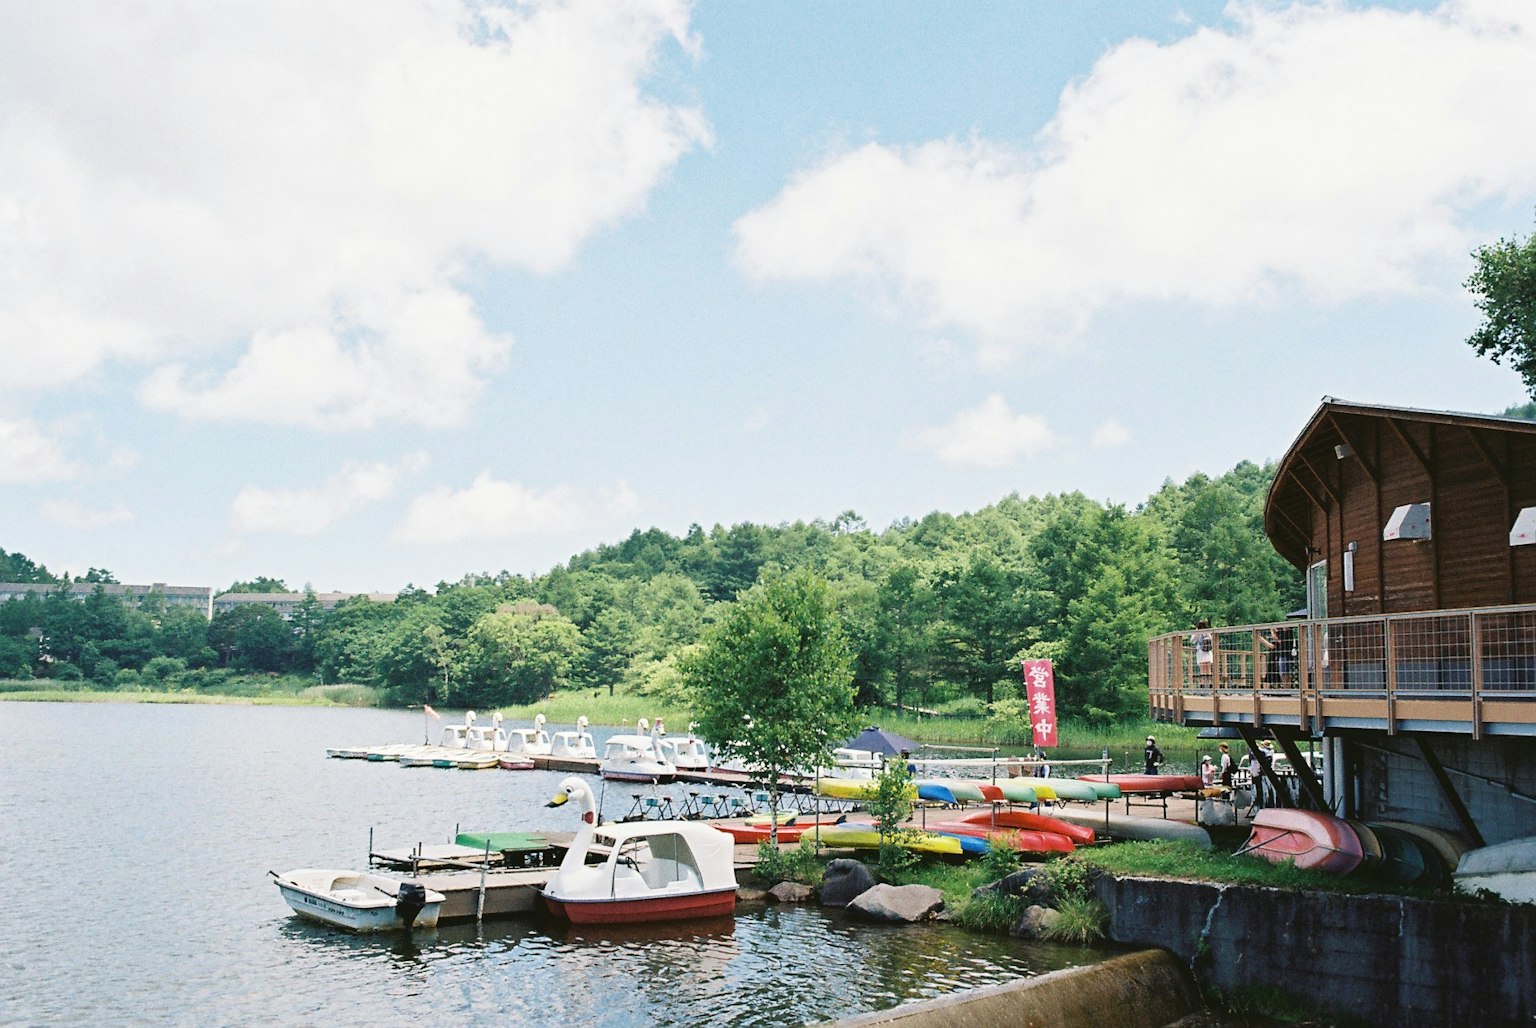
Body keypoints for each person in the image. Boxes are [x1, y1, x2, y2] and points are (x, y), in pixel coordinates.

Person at [1189, 618, 1215, 686]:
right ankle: (1209, 683)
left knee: (1202, 668)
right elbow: (1211, 640)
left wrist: (1197, 633)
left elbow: (1192, 641)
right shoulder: (1207, 632)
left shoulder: (1197, 632)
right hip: (1208, 651)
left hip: (1201, 651)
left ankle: (1203, 684)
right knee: (1208, 668)